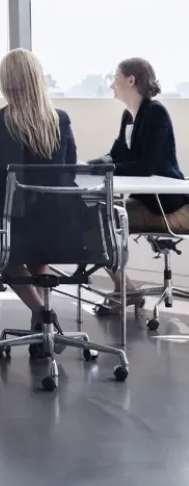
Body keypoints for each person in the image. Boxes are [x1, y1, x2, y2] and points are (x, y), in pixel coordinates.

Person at [0, 49, 77, 329]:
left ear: (8, 83)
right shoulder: (60, 118)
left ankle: (40, 312)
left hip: (19, 220)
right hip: (61, 223)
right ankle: (44, 320)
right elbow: (70, 169)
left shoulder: (0, 120)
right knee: (39, 251)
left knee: (5, 257)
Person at [92, 57, 189, 313]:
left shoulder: (155, 112)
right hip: (147, 201)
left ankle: (126, 290)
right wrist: (87, 166)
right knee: (93, 212)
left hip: (166, 207)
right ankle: (125, 288)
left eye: (115, 78)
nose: (112, 84)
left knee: (100, 219)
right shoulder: (129, 115)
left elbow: (146, 167)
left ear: (131, 80)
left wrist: (105, 167)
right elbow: (116, 154)